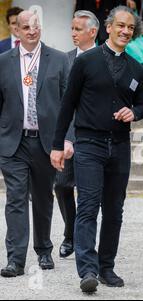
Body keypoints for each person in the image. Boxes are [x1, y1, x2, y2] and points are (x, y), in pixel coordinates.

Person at [51, 5, 143, 293]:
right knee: (89, 207)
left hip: (120, 146)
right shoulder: (87, 61)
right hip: (89, 144)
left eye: (130, 28)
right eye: (120, 25)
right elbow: (67, 104)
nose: (125, 31)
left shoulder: (136, 67)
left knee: (115, 211)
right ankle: (88, 270)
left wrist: (135, 113)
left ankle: (107, 266)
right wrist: (58, 145)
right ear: (108, 27)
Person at [0, 10, 71, 277]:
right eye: (26, 27)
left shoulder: (59, 59)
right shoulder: (3, 62)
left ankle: (43, 251)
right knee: (16, 199)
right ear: (16, 30)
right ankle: (15, 260)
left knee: (42, 198)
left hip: (46, 142)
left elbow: (68, 104)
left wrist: (66, 139)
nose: (32, 31)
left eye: (36, 26)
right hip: (13, 143)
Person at [55, 10, 99, 259]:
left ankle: (83, 241)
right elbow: (63, 103)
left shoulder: (105, 58)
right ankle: (71, 231)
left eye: (77, 29)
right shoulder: (64, 60)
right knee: (61, 186)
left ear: (92, 32)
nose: (72, 33)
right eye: (71, 29)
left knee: (89, 193)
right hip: (67, 135)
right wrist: (63, 137)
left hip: (94, 136)